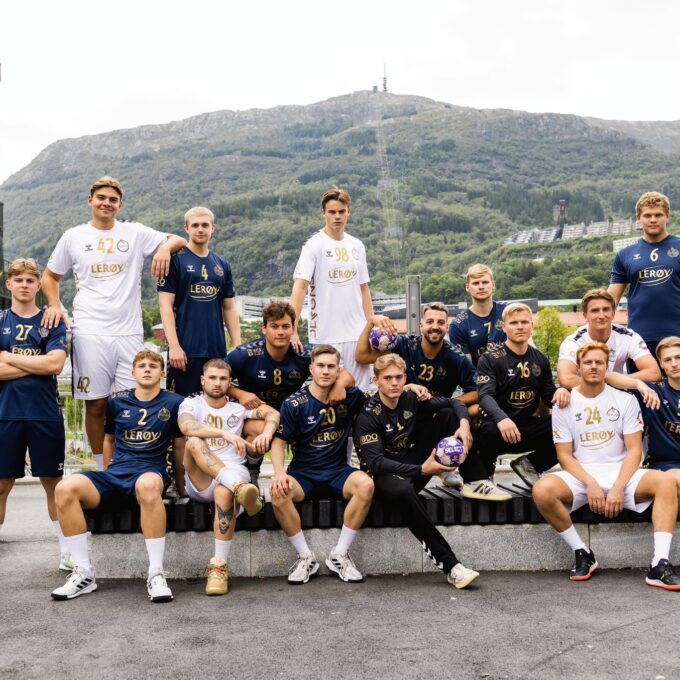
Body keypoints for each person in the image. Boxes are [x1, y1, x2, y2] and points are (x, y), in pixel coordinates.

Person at [41, 176, 186, 471]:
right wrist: (55, 305)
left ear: (120, 204)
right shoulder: (74, 236)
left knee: (132, 402)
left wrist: (162, 248)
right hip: (90, 330)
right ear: (90, 201)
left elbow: (178, 240)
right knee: (96, 404)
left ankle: (130, 464)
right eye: (101, 198)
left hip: (129, 331)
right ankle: (104, 468)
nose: (107, 203)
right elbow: (49, 277)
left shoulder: (134, 232)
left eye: (113, 199)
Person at [532, 342, 680, 589]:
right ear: (578, 368)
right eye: (588, 362)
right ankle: (582, 553)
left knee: (665, 482)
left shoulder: (625, 400)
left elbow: (634, 451)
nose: (593, 367)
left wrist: (619, 486)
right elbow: (564, 456)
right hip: (583, 476)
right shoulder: (564, 403)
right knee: (541, 490)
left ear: (607, 367)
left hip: (621, 473)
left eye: (599, 362)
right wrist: (590, 483)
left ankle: (659, 564)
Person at [50, 350, 185, 602]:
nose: (147, 369)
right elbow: (109, 439)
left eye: (153, 366)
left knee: (147, 486)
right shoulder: (116, 401)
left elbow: (179, 447)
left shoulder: (175, 402)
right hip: (116, 473)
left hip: (151, 472)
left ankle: (156, 573)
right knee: (64, 488)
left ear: (162, 373)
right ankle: (83, 572)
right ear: (132, 373)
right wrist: (107, 473)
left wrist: (181, 484)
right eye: (141, 366)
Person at [355, 305, 509, 500]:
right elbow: (361, 356)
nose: (435, 326)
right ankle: (434, 465)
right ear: (421, 325)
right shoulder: (404, 345)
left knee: (457, 412)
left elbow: (478, 390)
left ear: (447, 327)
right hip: (402, 424)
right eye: (430, 321)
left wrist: (444, 403)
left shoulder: (455, 356)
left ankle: (474, 480)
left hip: (432, 418)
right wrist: (370, 322)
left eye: (440, 322)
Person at [354, 353, 479, 589]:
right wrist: (422, 469)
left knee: (448, 415)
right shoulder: (368, 414)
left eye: (398, 377)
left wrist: (464, 425)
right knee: (404, 492)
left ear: (405, 378)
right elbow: (376, 463)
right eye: (387, 378)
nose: (394, 383)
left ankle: (476, 480)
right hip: (383, 477)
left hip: (412, 466)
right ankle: (451, 566)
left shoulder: (410, 398)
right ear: (376, 381)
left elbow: (455, 402)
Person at [269, 345, 374, 584]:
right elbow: (278, 441)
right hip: (303, 474)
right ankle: (305, 557)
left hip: (338, 471)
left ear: (338, 370)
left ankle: (340, 555)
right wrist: (279, 473)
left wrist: (409, 388)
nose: (325, 371)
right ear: (311, 369)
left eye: (331, 366)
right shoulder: (294, 403)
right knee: (277, 492)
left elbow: (379, 402)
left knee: (366, 485)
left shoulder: (350, 396)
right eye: (320, 366)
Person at [178, 359, 279, 595]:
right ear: (202, 380)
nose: (217, 383)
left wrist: (267, 432)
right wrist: (224, 434)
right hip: (201, 477)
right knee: (194, 442)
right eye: (212, 378)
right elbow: (187, 427)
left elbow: (273, 413)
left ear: (229, 382)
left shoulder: (237, 408)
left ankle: (218, 567)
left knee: (224, 492)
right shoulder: (191, 403)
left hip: (233, 470)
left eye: (223, 379)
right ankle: (241, 489)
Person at [227, 301, 353, 484]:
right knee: (263, 430)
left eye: (286, 326)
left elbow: (346, 374)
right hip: (255, 414)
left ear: (293, 329)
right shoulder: (243, 355)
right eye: (274, 326)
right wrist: (240, 394)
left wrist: (340, 384)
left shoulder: (303, 354)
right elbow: (214, 379)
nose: (280, 332)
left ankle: (310, 471)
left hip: (291, 413)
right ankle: (252, 471)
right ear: (264, 328)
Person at [0, 258, 69, 569]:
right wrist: (36, 364)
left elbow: (55, 364)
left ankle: (69, 552)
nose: (24, 285)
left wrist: (7, 357)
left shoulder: (52, 321)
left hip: (44, 413)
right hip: (6, 414)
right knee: (1, 484)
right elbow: (45, 364)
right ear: (9, 284)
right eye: (19, 280)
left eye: (30, 280)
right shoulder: (0, 320)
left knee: (54, 483)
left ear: (39, 285)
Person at [290, 187, 385, 391]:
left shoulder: (357, 245)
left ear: (349, 211)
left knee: (360, 394)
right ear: (323, 213)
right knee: (330, 395)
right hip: (326, 336)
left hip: (357, 336)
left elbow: (364, 288)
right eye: (332, 212)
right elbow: (300, 288)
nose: (337, 216)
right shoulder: (314, 245)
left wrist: (371, 324)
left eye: (342, 211)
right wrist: (293, 329)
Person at [474, 303, 570, 487]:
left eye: (524, 322)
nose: (520, 327)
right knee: (487, 431)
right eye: (514, 323)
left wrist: (560, 391)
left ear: (532, 325)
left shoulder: (540, 358)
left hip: (526, 426)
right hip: (498, 427)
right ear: (504, 327)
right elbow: (485, 396)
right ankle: (485, 475)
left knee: (568, 424)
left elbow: (548, 394)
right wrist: (502, 419)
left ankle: (530, 465)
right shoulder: (490, 358)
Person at [158, 206, 240, 397]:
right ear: (186, 228)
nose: (200, 229)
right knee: (183, 405)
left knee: (216, 403)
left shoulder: (222, 264)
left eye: (205, 225)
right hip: (185, 351)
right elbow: (165, 306)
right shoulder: (174, 261)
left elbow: (229, 307)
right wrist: (174, 346)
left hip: (216, 350)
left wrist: (237, 345)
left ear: (213, 228)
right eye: (195, 225)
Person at [608, 191, 680, 364]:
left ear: (667, 216)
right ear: (638, 218)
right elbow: (611, 299)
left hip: (677, 337)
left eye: (658, 215)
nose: (653, 220)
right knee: (643, 383)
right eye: (647, 215)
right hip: (639, 340)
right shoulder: (625, 254)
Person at [558, 288, 660, 389]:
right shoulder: (573, 341)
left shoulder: (629, 336)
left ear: (613, 313)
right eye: (595, 311)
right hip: (586, 393)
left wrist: (614, 380)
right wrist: (608, 379)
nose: (601, 316)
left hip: (618, 393)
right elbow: (566, 380)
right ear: (585, 316)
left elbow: (654, 373)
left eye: (606, 309)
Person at [449, 264, 507, 366]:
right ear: (467, 287)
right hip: (478, 375)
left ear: (493, 285)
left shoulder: (508, 313)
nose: (481, 287)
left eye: (485, 282)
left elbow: (526, 346)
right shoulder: (458, 325)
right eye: (476, 283)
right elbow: (467, 369)